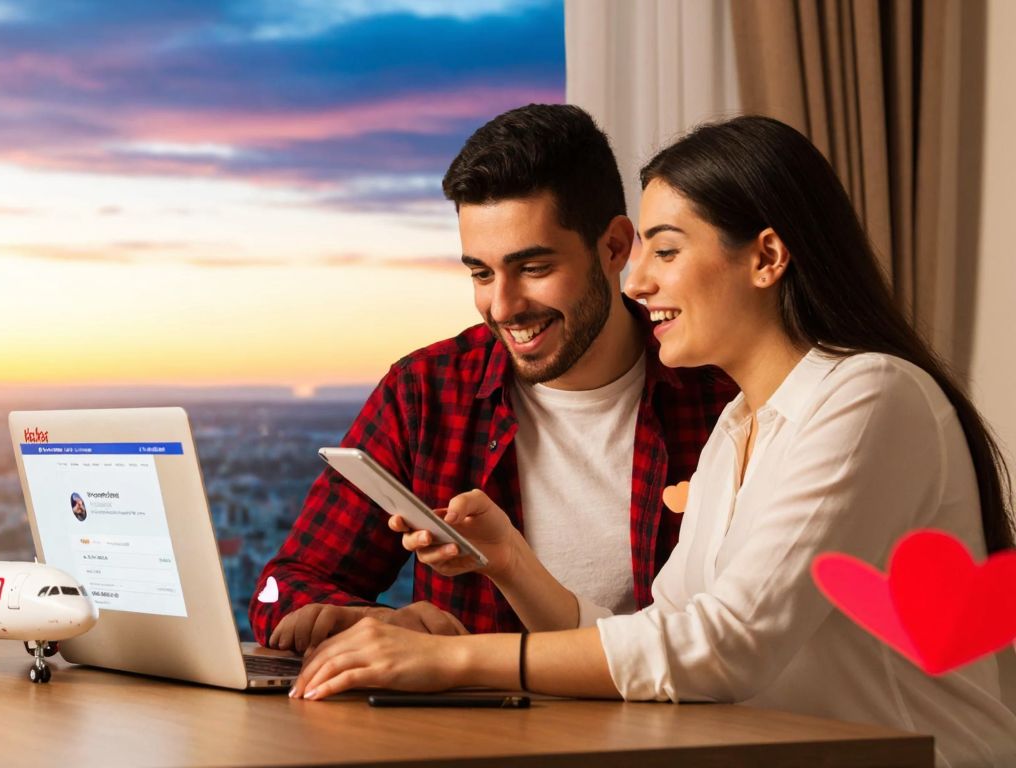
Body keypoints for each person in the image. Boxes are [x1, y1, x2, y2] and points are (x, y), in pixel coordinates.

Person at [289, 115, 1016, 767]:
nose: (636, 280)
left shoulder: (869, 393)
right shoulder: (738, 429)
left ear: (766, 258)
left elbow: (723, 648)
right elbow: (660, 636)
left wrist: (451, 662)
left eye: (664, 251)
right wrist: (511, 564)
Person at [251, 104, 736, 652]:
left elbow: (727, 643)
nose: (503, 307)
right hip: (473, 736)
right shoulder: (425, 392)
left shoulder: (722, 395)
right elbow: (280, 587)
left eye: (533, 269)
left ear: (615, 248)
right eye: (481, 273)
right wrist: (366, 621)